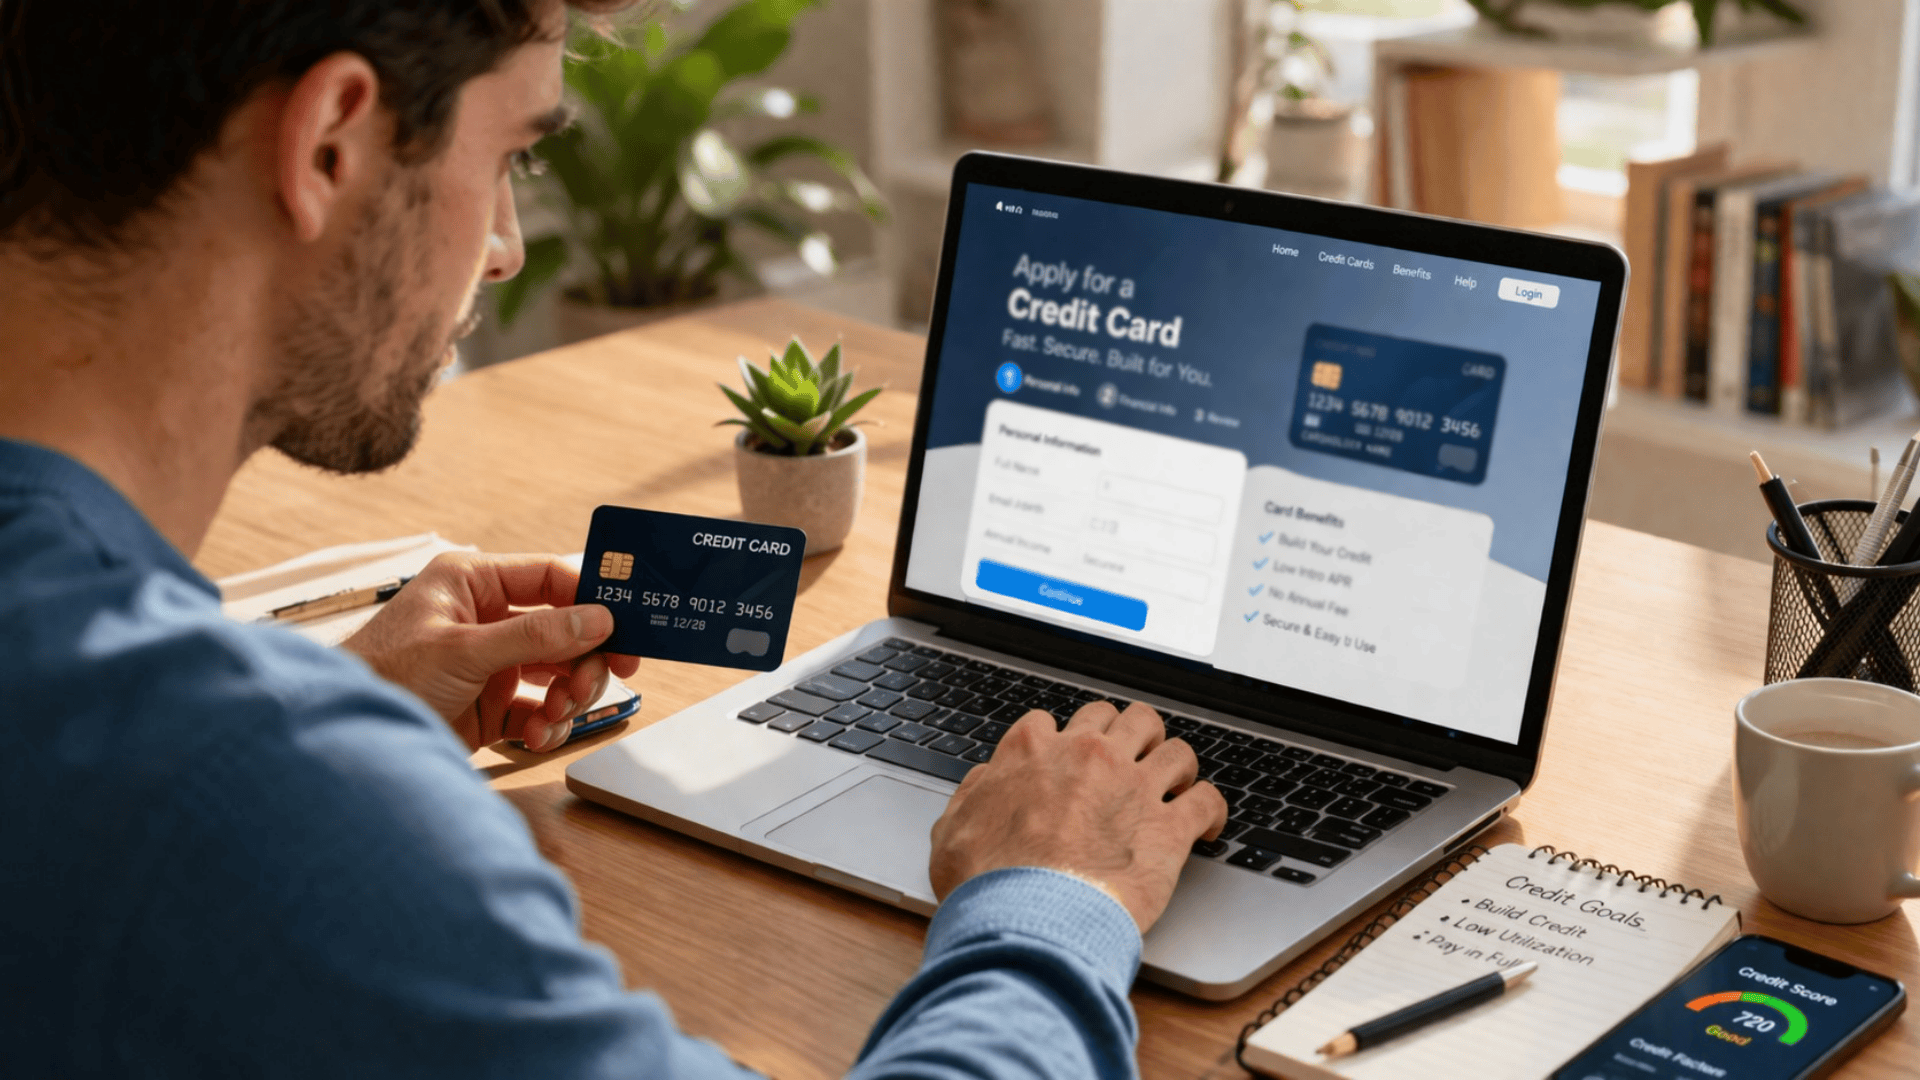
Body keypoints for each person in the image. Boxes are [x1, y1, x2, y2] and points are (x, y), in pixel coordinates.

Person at [0, 2, 1228, 1076]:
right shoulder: (264, 796)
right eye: (510, 155)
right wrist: (1053, 896)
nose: (506, 248)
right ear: (331, 143)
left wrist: (334, 712)